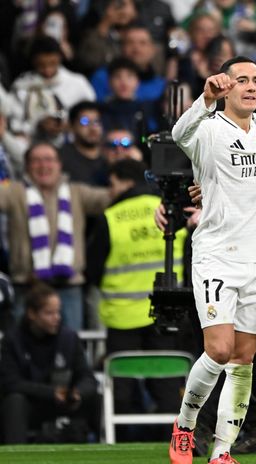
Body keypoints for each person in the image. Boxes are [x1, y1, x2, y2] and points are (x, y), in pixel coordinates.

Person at [167, 56, 256, 464]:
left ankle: (222, 452)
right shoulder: (208, 129)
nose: (251, 87)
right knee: (217, 349)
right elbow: (179, 133)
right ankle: (184, 426)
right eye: (242, 80)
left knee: (243, 358)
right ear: (225, 86)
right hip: (216, 255)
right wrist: (204, 98)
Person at [86, 159, 188, 437]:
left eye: (111, 184)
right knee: (168, 384)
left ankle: (123, 441)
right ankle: (174, 440)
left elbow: (92, 269)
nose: (110, 190)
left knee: (121, 388)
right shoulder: (170, 211)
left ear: (121, 180)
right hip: (167, 310)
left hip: (123, 315)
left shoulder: (112, 217)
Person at [0, 142, 111, 330]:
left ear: (60, 165)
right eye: (36, 161)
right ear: (27, 166)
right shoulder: (15, 192)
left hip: (69, 288)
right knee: (20, 351)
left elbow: (111, 197)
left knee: (71, 347)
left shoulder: (76, 192)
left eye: (49, 160)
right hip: (27, 286)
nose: (44, 166)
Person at [0, 282, 98, 444]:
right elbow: (10, 382)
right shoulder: (12, 340)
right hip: (31, 406)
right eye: (49, 313)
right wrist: (51, 393)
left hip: (64, 405)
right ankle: (15, 456)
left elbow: (88, 378)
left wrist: (77, 393)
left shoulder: (69, 338)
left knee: (96, 399)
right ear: (32, 314)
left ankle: (109, 449)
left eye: (58, 312)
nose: (57, 318)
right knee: (14, 401)